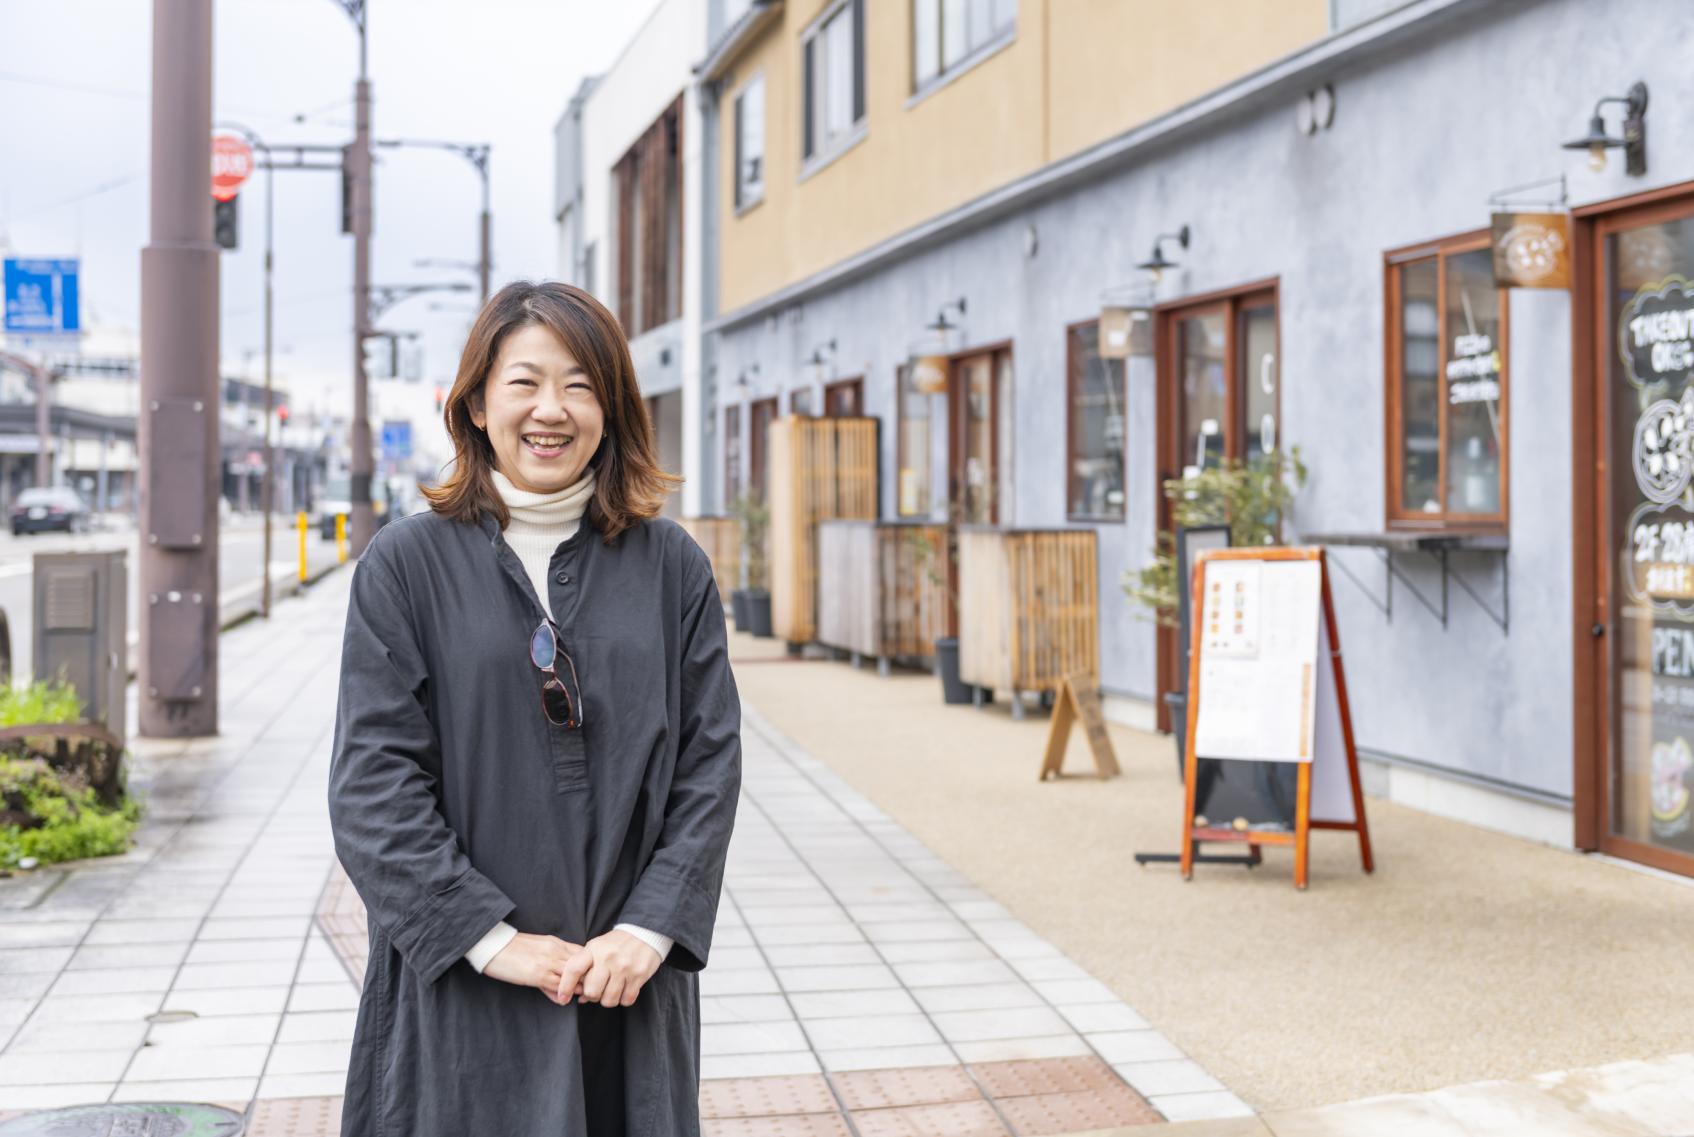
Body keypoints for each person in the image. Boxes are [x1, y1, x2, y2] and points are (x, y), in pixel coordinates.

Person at [328, 281, 741, 1136]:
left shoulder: (671, 567)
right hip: (460, 998)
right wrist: (490, 938)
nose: (552, 409)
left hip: (623, 983)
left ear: (613, 408)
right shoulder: (405, 566)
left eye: (581, 384)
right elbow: (373, 786)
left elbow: (710, 764)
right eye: (525, 382)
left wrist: (652, 928)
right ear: (476, 402)